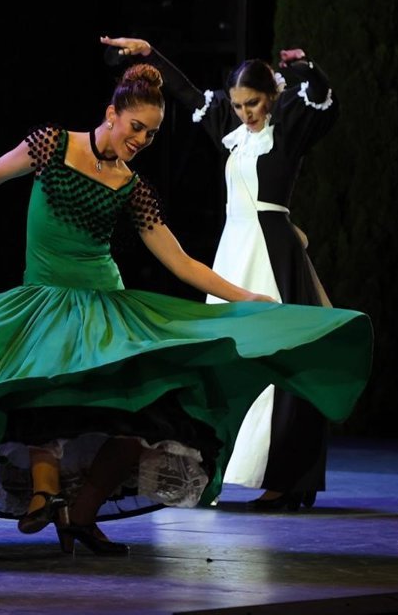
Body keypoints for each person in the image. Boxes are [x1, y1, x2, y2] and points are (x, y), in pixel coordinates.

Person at [0, 53, 372, 554]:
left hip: (103, 306)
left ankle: (83, 512)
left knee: (137, 413)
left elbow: (182, 263)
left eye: (151, 134)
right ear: (112, 114)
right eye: (136, 128)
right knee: (41, 395)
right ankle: (46, 495)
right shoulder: (52, 145)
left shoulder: (133, 187)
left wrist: (249, 298)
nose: (141, 141)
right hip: (43, 302)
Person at [101, 36, 341, 511]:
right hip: (234, 253)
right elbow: (187, 93)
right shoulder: (234, 133)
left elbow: (320, 98)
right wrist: (150, 54)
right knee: (227, 360)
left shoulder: (286, 128)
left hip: (271, 254)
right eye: (237, 105)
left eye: (252, 103)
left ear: (270, 97)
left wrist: (305, 68)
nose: (245, 113)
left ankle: (289, 478)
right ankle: (223, 470)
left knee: (281, 361)